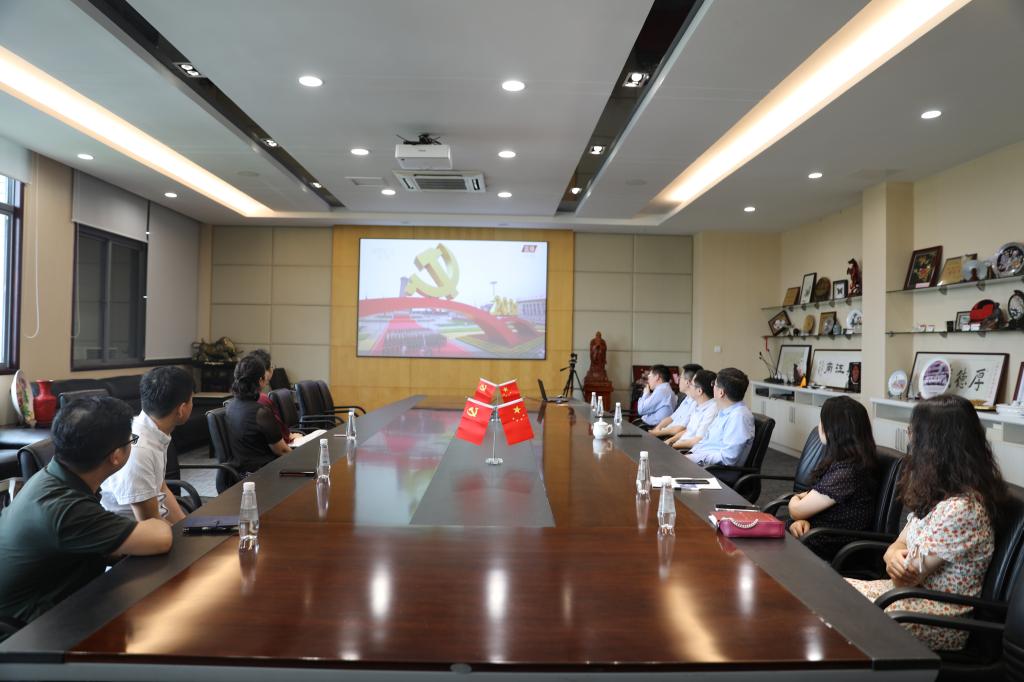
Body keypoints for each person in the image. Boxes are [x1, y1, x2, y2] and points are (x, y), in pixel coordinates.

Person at [847, 395, 1007, 651]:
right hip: (910, 599)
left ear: (935, 444)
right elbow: (898, 545)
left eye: (914, 431)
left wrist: (894, 557)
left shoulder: (962, 508)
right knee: (829, 593)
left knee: (836, 610)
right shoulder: (942, 493)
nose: (910, 437)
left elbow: (906, 578)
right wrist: (892, 555)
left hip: (937, 617)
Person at [0, 397, 172, 627]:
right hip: (28, 632)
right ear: (116, 456)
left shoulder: (50, 478)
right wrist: (156, 524)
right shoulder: (66, 508)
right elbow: (161, 538)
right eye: (131, 440)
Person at [787, 396, 879, 560]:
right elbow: (808, 502)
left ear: (833, 429)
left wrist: (795, 499)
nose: (819, 425)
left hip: (830, 543)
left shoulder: (846, 472)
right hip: (819, 532)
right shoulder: (850, 461)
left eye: (822, 421)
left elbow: (797, 511)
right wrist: (801, 517)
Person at [101, 367, 195, 523]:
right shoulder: (140, 450)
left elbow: (161, 488)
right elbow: (149, 523)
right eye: (191, 399)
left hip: (153, 523)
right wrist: (182, 533)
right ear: (181, 409)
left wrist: (186, 526)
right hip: (132, 531)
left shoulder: (153, 432)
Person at [225, 355, 290, 475]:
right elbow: (282, 450)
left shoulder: (229, 407)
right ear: (261, 380)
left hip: (239, 473)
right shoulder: (261, 412)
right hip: (263, 474)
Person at [687, 368, 754, 468]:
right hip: (701, 462)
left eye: (714, 384)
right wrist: (690, 455)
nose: (712, 387)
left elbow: (727, 458)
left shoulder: (739, 417)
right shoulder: (724, 411)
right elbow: (707, 442)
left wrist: (692, 458)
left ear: (721, 392)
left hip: (714, 470)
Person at [247, 349, 302, 444]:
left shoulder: (237, 402)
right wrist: (289, 436)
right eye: (271, 367)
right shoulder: (262, 399)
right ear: (263, 372)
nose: (272, 370)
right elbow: (277, 436)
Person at [667, 370, 719, 451]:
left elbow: (697, 440)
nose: (689, 386)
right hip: (679, 445)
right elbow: (688, 430)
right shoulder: (697, 404)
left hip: (686, 450)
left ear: (699, 391)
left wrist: (673, 445)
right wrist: (670, 440)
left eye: (691, 384)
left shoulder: (712, 409)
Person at [651, 364, 703, 438]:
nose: (678, 380)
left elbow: (681, 428)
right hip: (663, 434)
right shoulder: (686, 398)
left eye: (680, 377)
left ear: (687, 382)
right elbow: (671, 418)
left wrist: (658, 433)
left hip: (670, 437)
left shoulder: (696, 403)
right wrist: (657, 429)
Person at [635, 364, 678, 429]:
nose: (648, 380)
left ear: (657, 377)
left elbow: (641, 410)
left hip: (650, 428)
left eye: (649, 377)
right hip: (648, 426)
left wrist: (645, 393)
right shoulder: (664, 389)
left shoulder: (661, 391)